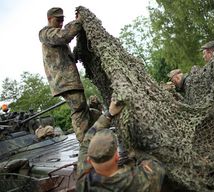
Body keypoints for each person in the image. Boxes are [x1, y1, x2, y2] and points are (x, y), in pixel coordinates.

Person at [76, 100, 165, 191]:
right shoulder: (139, 181)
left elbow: (87, 141)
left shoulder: (83, 183)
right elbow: (156, 165)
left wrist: (109, 114)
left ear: (89, 160)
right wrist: (135, 152)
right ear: (117, 157)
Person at [39, 7, 90, 143]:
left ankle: (90, 144)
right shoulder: (45, 33)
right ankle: (86, 147)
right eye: (58, 20)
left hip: (70, 81)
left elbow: (65, 57)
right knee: (79, 110)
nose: (61, 23)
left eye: (63, 20)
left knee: (83, 110)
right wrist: (79, 21)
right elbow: (65, 36)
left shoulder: (53, 35)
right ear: (49, 19)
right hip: (65, 82)